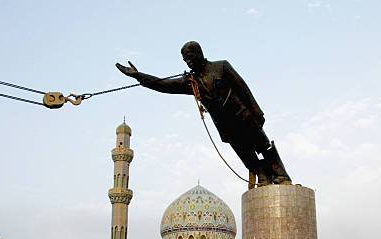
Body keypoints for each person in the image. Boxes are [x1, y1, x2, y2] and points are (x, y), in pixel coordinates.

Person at [116, 41, 291, 187]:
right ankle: (263, 178)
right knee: (245, 153)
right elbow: (165, 85)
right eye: (185, 60)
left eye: (190, 58)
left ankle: (281, 175)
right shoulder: (192, 83)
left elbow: (243, 88)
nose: (188, 63)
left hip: (243, 116)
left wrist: (256, 111)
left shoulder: (221, 67)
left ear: (199, 53)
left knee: (263, 145)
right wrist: (139, 76)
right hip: (226, 126)